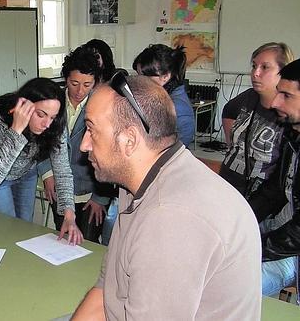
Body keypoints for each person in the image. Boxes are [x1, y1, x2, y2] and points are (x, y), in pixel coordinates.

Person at [73, 74, 261, 320]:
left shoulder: (170, 217)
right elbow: (106, 290)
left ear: (129, 141)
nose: (84, 145)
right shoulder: (138, 181)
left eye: (91, 129)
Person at [0, 77, 83, 245]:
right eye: (41, 114)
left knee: (24, 226)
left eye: (53, 117)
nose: (47, 123)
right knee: (7, 230)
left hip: (26, 173)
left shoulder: (53, 123)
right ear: (24, 106)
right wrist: (17, 129)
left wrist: (69, 213)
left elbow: (62, 169)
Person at [39, 46, 117, 243]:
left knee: (89, 243)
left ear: (95, 83)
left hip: (91, 189)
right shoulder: (51, 103)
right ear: (65, 79)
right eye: (74, 83)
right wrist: (47, 174)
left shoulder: (103, 107)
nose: (79, 91)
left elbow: (109, 155)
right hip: (59, 187)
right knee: (64, 239)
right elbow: (40, 141)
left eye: (87, 84)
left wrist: (101, 197)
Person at [247, 58, 300, 298]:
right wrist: (240, 217)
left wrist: (253, 248)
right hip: (281, 236)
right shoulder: (293, 136)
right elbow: (276, 191)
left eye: (286, 96)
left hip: (291, 249)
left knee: (237, 287)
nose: (275, 102)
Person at [220, 42, 294, 197]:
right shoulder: (248, 97)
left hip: (260, 199)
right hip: (228, 186)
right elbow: (228, 111)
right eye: (254, 66)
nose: (255, 73)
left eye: (265, 67)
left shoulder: (290, 112)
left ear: (283, 72)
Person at [133, 44, 195, 147]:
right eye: (139, 75)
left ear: (166, 76)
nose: (140, 81)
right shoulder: (162, 96)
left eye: (145, 76)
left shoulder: (175, 106)